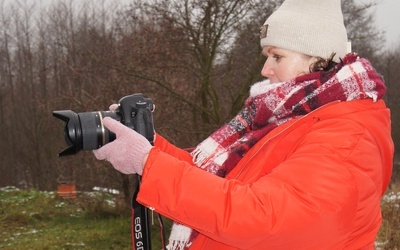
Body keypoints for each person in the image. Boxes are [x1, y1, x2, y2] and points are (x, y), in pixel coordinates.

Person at [93, 0, 394, 249]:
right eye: (266, 56)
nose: (266, 68)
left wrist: (150, 164)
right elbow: (222, 182)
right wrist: (149, 146)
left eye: (277, 56)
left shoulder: (347, 136)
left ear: (318, 58)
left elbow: (263, 219)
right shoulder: (289, 118)